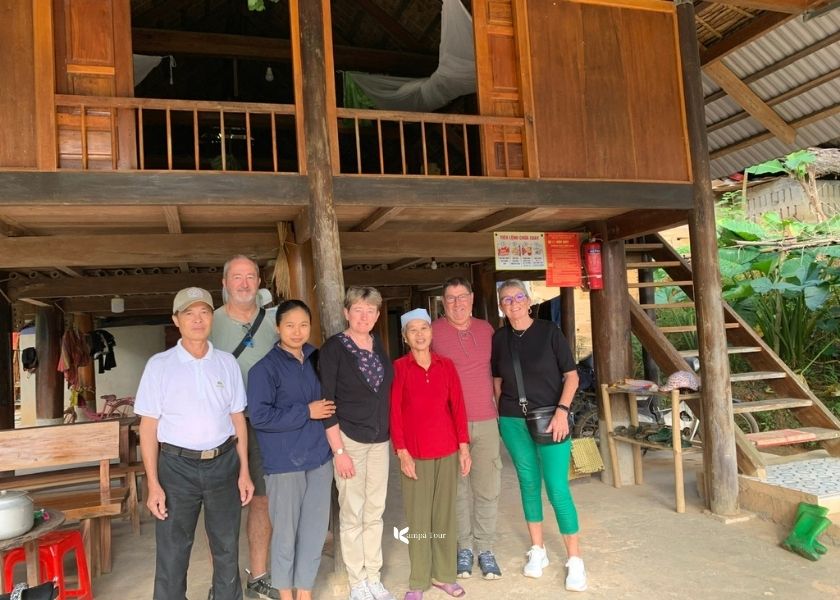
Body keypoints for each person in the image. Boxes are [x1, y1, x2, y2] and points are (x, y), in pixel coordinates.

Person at [135, 287, 255, 600]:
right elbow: (148, 428)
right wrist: (153, 484)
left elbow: (237, 418)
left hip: (223, 462)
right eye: (189, 313)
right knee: (173, 551)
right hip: (176, 468)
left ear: (211, 318)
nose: (197, 319)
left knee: (227, 546)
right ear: (177, 320)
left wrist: (244, 471)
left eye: (204, 312)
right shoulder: (159, 365)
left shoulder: (226, 363)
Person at [490, 279, 586, 592]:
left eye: (519, 297)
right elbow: (497, 379)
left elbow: (572, 376)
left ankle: (574, 559)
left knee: (557, 488)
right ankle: (538, 550)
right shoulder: (499, 339)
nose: (514, 303)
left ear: (529, 301)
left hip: (550, 418)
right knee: (528, 483)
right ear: (502, 307)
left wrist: (562, 411)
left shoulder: (549, 332)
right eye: (507, 299)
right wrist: (501, 413)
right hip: (513, 420)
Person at [247, 300, 335, 600]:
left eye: (303, 325)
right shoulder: (264, 369)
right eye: (290, 325)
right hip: (285, 463)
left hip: (320, 459)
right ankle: (286, 593)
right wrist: (305, 412)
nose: (297, 332)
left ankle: (305, 592)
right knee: (285, 533)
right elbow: (260, 417)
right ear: (277, 328)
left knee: (313, 531)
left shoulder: (316, 359)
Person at [209, 255, 279, 599]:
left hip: (265, 423)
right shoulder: (210, 321)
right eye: (237, 277)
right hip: (221, 424)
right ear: (225, 283)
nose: (244, 283)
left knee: (262, 500)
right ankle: (223, 584)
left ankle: (258, 576)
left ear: (259, 282)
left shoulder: (274, 320)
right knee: (222, 502)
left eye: (251, 276)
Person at [320, 287, 395, 600]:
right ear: (347, 312)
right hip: (349, 439)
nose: (364, 316)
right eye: (358, 309)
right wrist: (338, 451)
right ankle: (357, 582)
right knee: (352, 512)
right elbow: (327, 402)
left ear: (377, 316)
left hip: (380, 440)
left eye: (371, 311)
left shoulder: (378, 345)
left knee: (375, 512)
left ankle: (374, 577)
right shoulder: (335, 348)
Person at [391, 308, 471, 600]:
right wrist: (402, 451)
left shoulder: (446, 365)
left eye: (424, 328)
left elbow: (458, 408)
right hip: (415, 453)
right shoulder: (399, 368)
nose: (420, 334)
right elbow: (395, 414)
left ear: (431, 332)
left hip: (447, 449)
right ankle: (418, 580)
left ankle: (445, 575)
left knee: (445, 515)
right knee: (419, 518)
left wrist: (464, 447)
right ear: (405, 337)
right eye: (413, 330)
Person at [431, 277, 502, 580]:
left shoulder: (487, 330)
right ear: (443, 302)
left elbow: (498, 372)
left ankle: (485, 548)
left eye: (462, 297)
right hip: (449, 423)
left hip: (485, 419)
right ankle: (464, 548)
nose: (457, 303)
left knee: (487, 487)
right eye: (450, 298)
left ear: (472, 299)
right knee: (456, 489)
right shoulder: (432, 332)